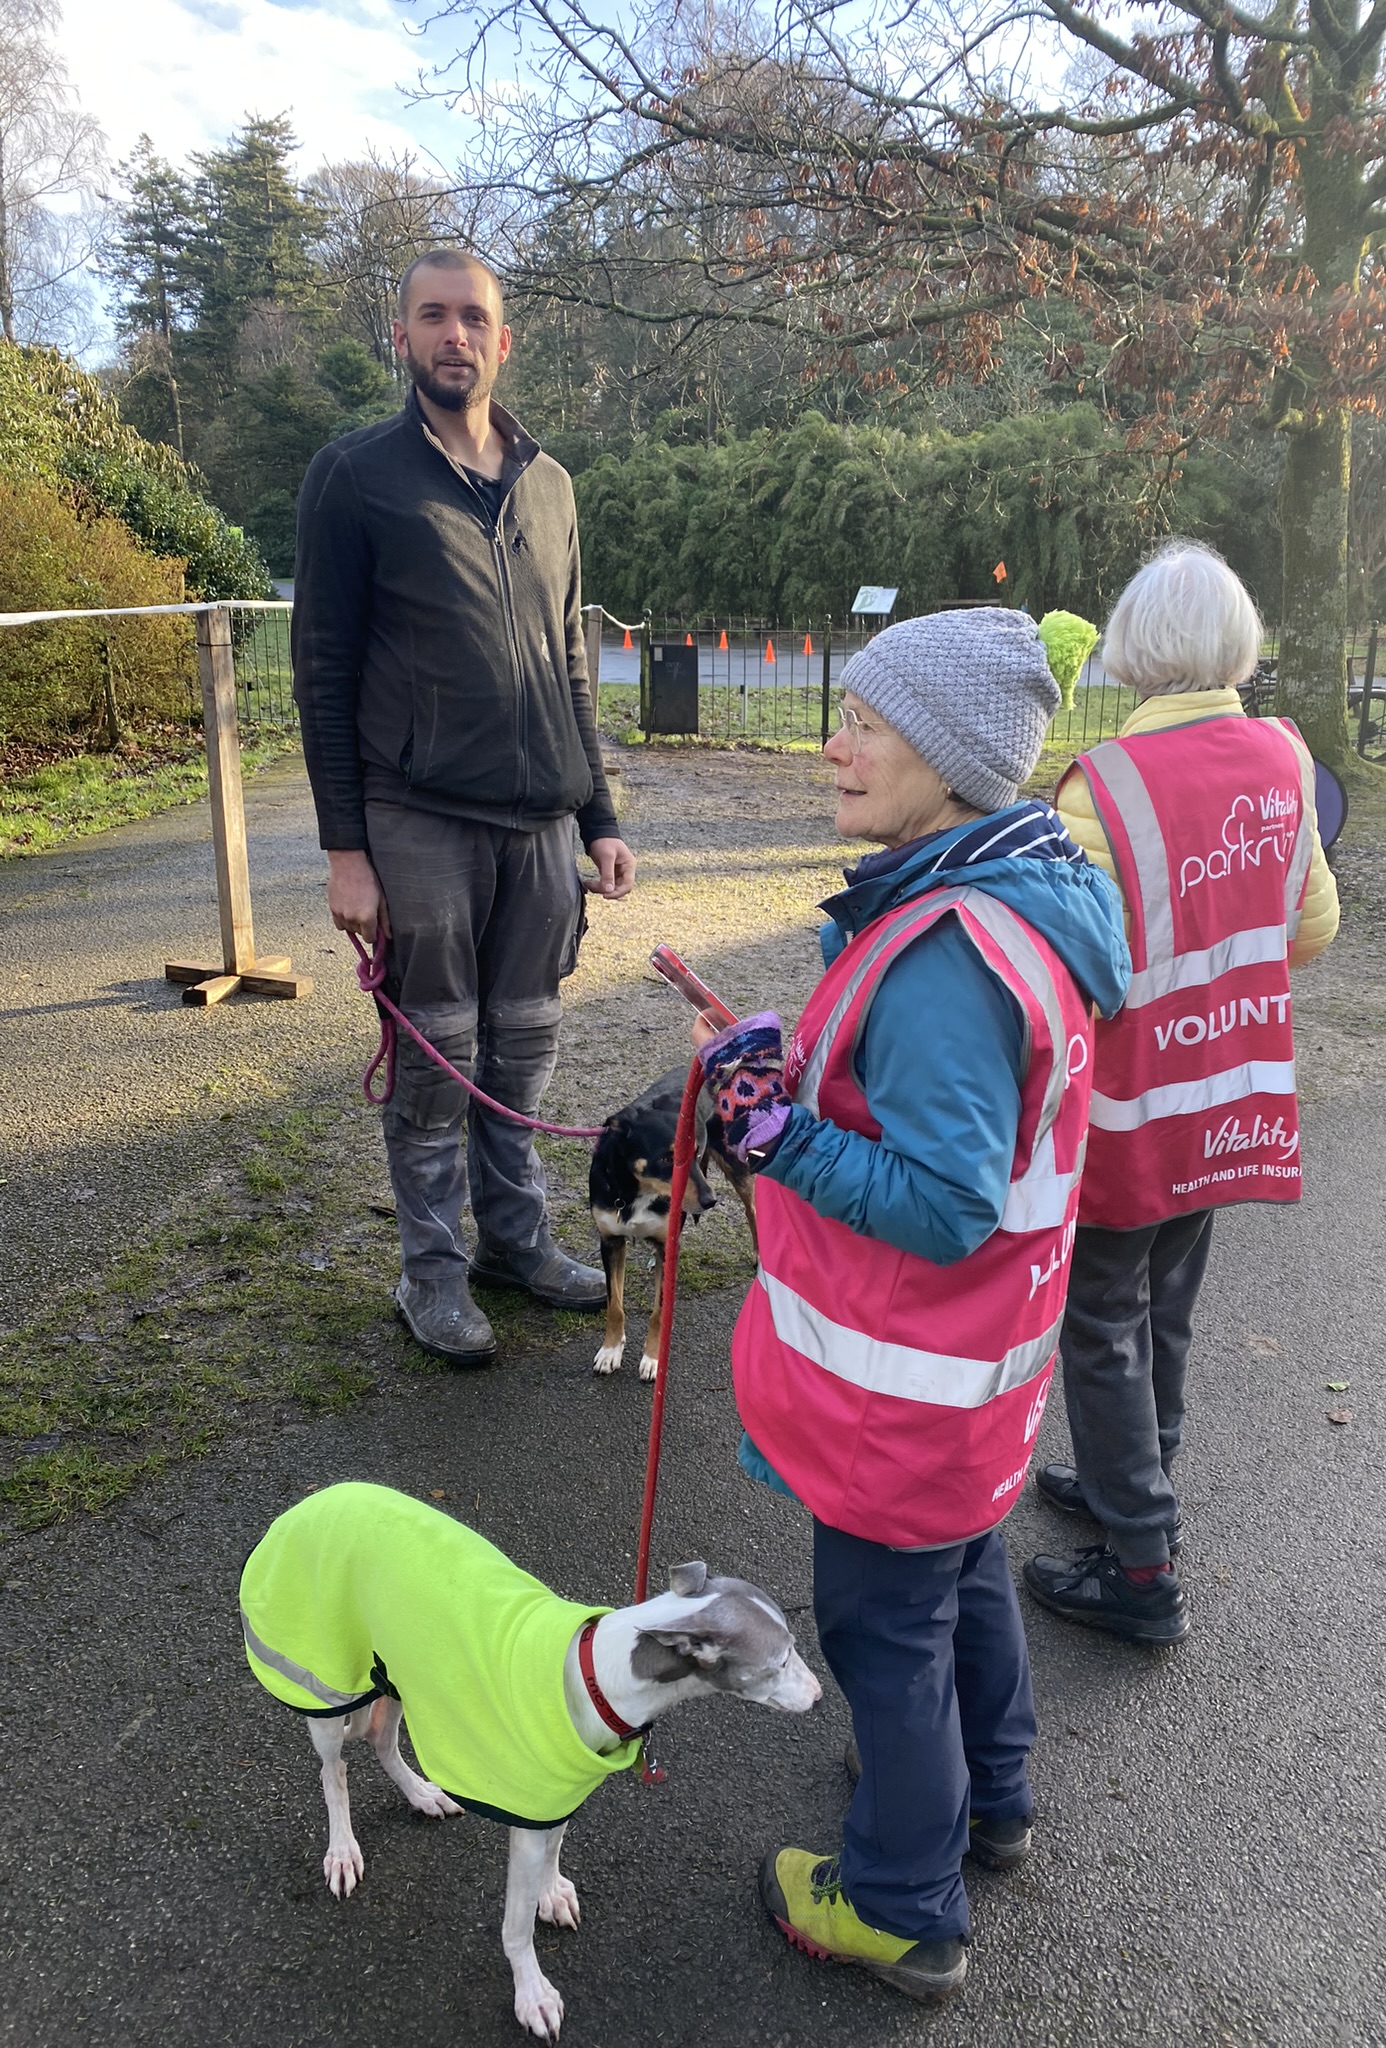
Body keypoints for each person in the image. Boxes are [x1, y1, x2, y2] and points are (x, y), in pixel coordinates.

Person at [688, 608, 1131, 2002]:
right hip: (971, 1386)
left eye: (869, 723)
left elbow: (941, 1203)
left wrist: (772, 1139)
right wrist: (786, 1069)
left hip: (903, 1392)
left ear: (948, 758)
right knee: (960, 1585)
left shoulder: (949, 946)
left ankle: (899, 1902)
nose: (837, 742)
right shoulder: (1006, 898)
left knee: (885, 1634)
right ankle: (988, 1797)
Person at [293, 248, 635, 1365]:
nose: (454, 335)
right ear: (402, 335)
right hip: (417, 817)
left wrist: (600, 814)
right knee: (438, 1058)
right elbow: (324, 670)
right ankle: (431, 1274)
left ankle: (515, 1243)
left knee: (522, 1050)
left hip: (540, 824)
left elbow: (571, 661)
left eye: (473, 316)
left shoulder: (552, 484)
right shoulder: (356, 478)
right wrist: (347, 848)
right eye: (432, 316)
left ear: (503, 338)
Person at [1023, 541, 1339, 1645]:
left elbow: (1065, 959)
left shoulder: (1103, 783)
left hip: (1129, 1104)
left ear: (1134, 644)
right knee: (1168, 1301)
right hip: (1233, 1086)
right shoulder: (1286, 759)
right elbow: (1314, 923)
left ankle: (1142, 1561)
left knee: (1100, 1315)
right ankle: (1136, 1474)